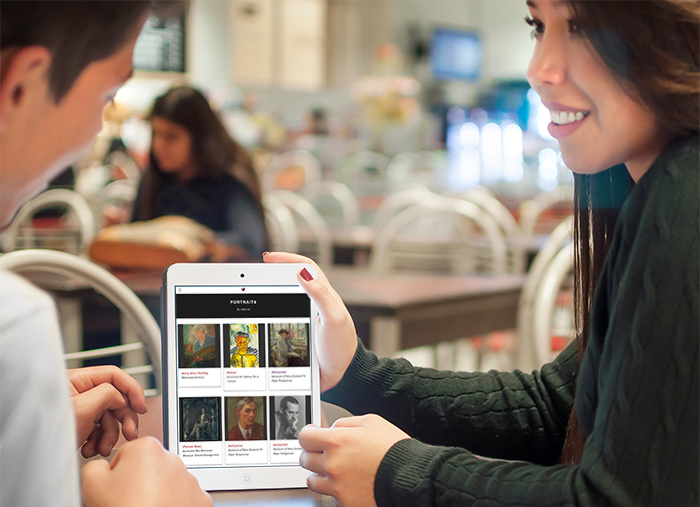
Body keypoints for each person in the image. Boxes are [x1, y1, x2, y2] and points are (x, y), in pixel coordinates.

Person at [264, 0, 699, 505]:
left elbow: (613, 498)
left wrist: (399, 473)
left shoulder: (683, 191)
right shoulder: (653, 189)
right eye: (538, 26)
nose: (539, 70)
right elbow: (554, 405)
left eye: (584, 27)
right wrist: (354, 374)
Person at [0, 2, 212, 506]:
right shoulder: (14, 326)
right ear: (21, 86)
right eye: (106, 95)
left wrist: (32, 415)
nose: (97, 129)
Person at [131, 85, 269, 261]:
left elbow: (250, 242)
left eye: (171, 136)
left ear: (200, 139)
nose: (159, 145)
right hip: (150, 283)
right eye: (155, 134)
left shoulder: (229, 181)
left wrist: (193, 238)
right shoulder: (154, 178)